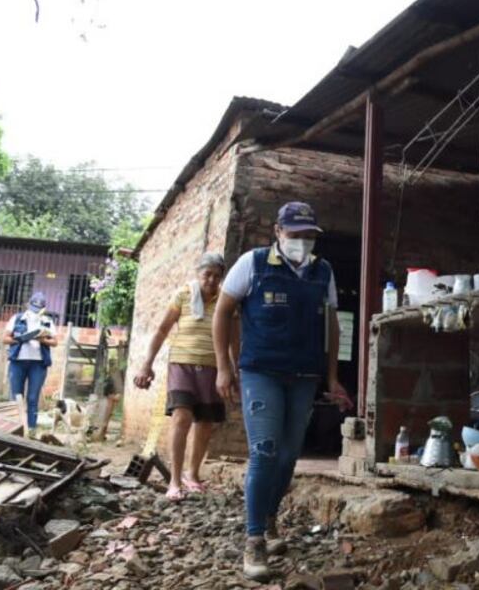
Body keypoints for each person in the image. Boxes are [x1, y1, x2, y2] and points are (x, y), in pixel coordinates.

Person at [212, 201, 353, 581]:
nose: (302, 242)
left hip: (304, 374)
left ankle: (270, 519)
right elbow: (223, 311)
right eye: (294, 234)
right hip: (260, 371)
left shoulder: (322, 272)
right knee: (265, 450)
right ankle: (254, 538)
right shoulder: (253, 264)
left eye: (308, 236)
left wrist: (332, 377)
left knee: (290, 453)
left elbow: (333, 326)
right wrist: (224, 366)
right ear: (277, 231)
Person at [134, 252, 228, 501]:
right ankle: (174, 481)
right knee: (181, 417)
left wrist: (233, 369)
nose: (211, 280)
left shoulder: (226, 300)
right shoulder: (183, 295)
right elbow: (163, 329)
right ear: (198, 274)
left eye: (216, 276)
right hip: (182, 365)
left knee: (205, 423)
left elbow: (235, 337)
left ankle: (192, 474)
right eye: (207, 274)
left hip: (213, 367)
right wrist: (147, 364)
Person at [3, 291, 57, 437]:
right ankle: (15, 429)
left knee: (33, 398)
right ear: (28, 304)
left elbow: (55, 342)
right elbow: (5, 339)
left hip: (38, 364)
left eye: (38, 309)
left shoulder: (47, 321)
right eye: (33, 308)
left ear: (43, 308)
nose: (35, 312)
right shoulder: (18, 318)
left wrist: (42, 340)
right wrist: (19, 339)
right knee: (16, 396)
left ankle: (31, 430)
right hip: (18, 362)